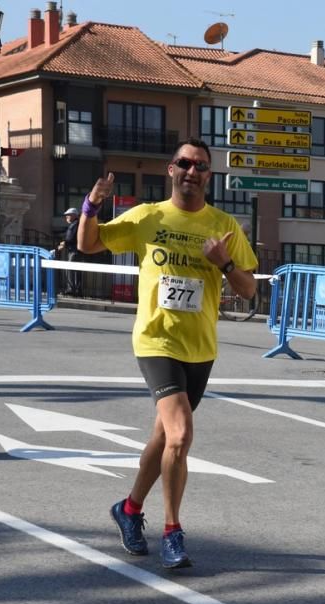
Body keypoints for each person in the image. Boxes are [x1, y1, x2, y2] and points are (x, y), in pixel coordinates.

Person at [77, 138, 258, 568]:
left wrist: (224, 263)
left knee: (163, 439)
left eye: (200, 166)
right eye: (184, 163)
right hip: (156, 340)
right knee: (179, 436)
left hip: (200, 348)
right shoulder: (148, 217)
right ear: (170, 169)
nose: (191, 171)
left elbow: (249, 291)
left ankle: (130, 508)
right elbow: (88, 245)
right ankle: (173, 531)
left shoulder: (223, 225)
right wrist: (91, 205)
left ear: (209, 176)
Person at [62, 207, 83, 296]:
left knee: (70, 269)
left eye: (68, 215)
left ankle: (71, 289)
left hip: (74, 251)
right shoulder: (77, 224)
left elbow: (71, 238)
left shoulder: (75, 224)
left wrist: (64, 244)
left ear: (74, 216)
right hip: (77, 250)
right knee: (76, 270)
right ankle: (77, 290)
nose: (66, 217)